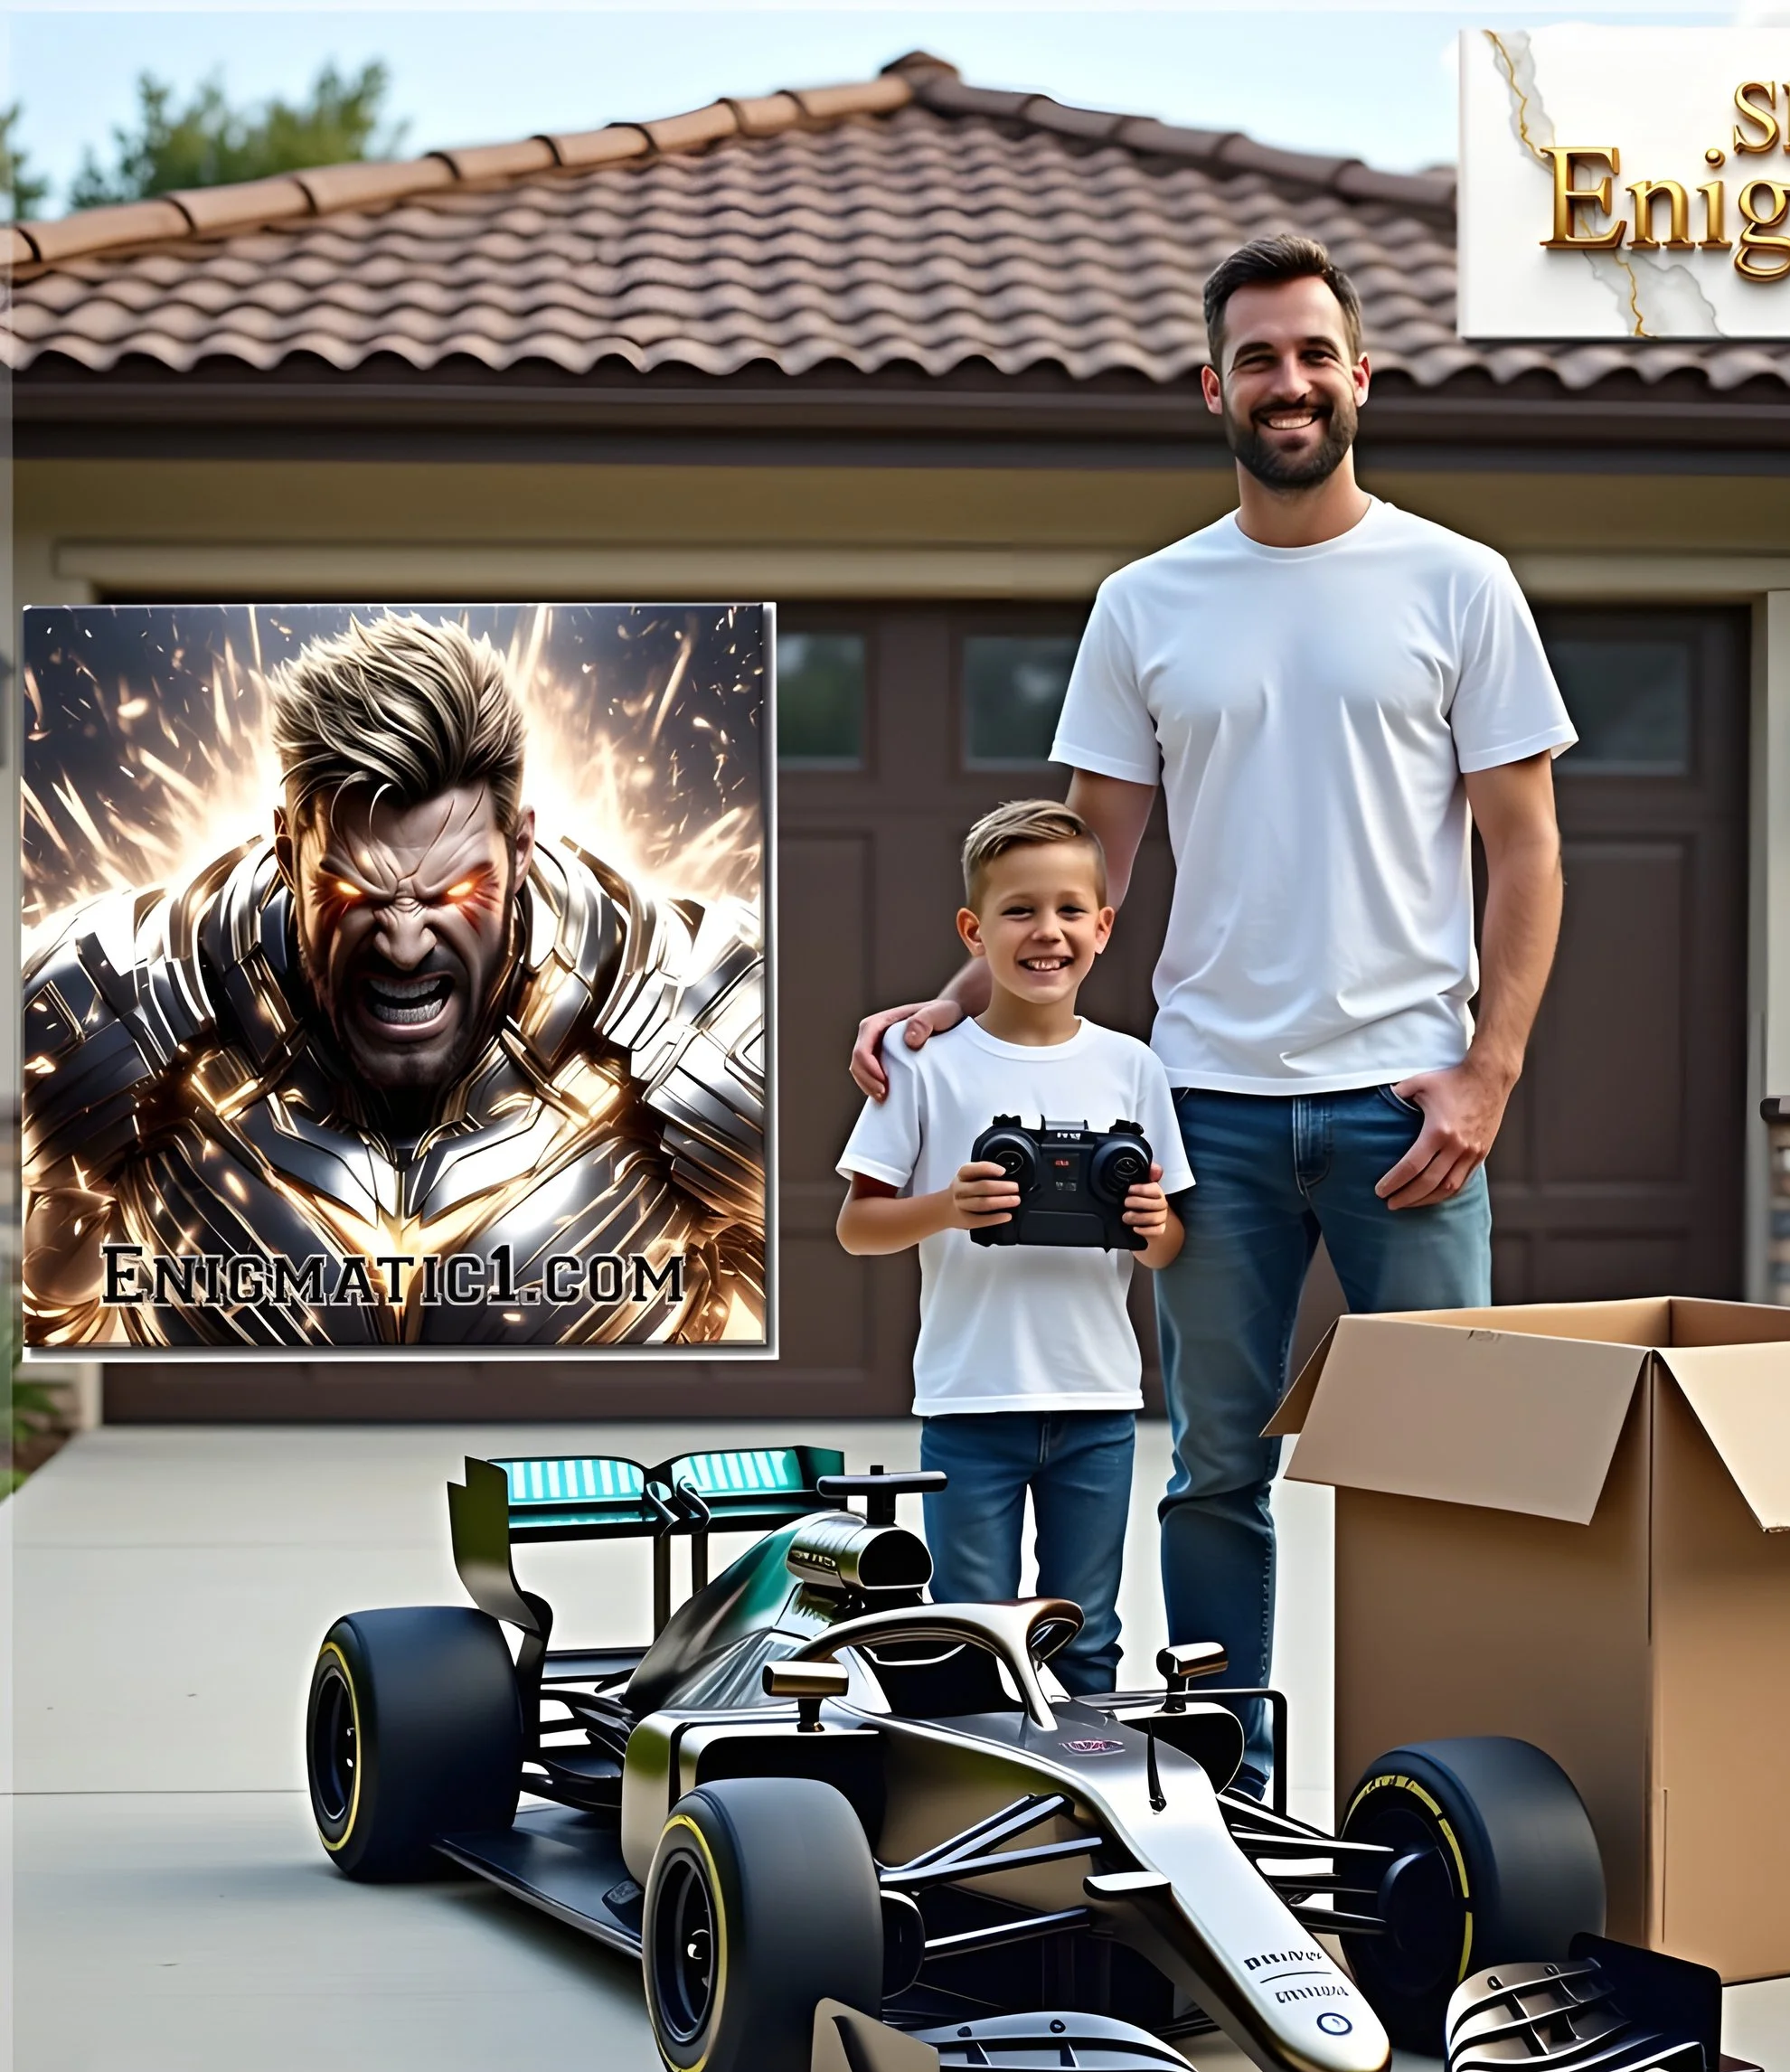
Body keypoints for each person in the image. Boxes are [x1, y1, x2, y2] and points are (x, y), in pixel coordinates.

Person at [850, 235, 1574, 1788]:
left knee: (1443, 1472)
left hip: (1408, 1118)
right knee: (1216, 1473)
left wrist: (1488, 1073)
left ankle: (1439, 1783)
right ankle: (1222, 1784)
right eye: (1258, 358)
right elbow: (1086, 864)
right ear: (1214, 388)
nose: (1290, 383)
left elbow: (1527, 848)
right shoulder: (1147, 603)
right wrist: (951, 1001)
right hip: (1206, 1115)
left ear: (1361, 378)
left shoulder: (1461, 584)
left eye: (1315, 354)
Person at [22, 611, 768, 1347]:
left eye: (454, 895)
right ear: (286, 852)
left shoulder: (712, 1028)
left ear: (521, 849)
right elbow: (42, 1361)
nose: (405, 945)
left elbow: (817, 1353)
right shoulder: (97, 1012)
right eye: (356, 896)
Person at [836, 799, 1192, 1696]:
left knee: (1089, 1634)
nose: (1048, 932)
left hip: (1098, 1399)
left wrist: (1153, 1225)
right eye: (1020, 910)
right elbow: (857, 1225)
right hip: (970, 1396)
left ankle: (1087, 1803)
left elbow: (1167, 1247)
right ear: (974, 928)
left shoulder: (1133, 1068)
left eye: (1071, 910)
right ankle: (976, 1807)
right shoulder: (925, 1065)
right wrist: (946, 1207)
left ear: (1104, 927)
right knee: (971, 1629)